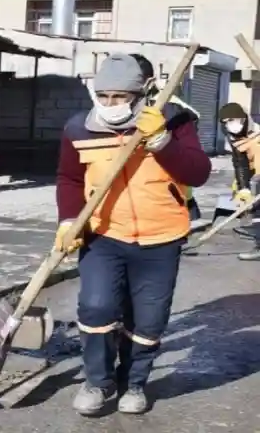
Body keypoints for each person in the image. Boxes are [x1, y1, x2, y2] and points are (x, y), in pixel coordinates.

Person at [55, 53, 211, 416]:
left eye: (120, 97)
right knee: (96, 307)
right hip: (103, 235)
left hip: (161, 237)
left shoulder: (173, 120)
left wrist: (161, 141)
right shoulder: (79, 128)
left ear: (141, 94)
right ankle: (98, 382)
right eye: (103, 96)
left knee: (148, 320)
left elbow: (198, 173)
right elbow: (70, 178)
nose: (110, 104)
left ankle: (134, 383)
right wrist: (68, 220)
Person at [129, 53, 202, 221]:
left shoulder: (170, 107)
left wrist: (163, 139)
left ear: (148, 82)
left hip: (167, 194)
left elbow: (192, 118)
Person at [217, 102, 260, 261]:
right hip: (256, 177)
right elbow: (240, 163)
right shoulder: (234, 138)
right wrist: (244, 187)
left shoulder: (258, 132)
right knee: (256, 211)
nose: (230, 124)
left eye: (232, 120)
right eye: (225, 122)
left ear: (243, 118)